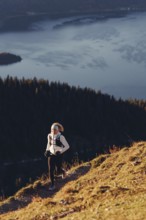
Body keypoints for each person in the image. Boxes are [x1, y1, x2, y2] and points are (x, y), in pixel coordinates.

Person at [44, 122, 70, 191]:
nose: (53, 131)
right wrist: (47, 151)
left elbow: (67, 146)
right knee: (51, 170)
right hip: (51, 154)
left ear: (58, 130)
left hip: (59, 155)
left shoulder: (61, 137)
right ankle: (52, 185)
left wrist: (60, 152)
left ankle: (63, 171)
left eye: (55, 129)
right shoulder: (49, 136)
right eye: (52, 129)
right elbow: (48, 144)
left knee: (58, 169)